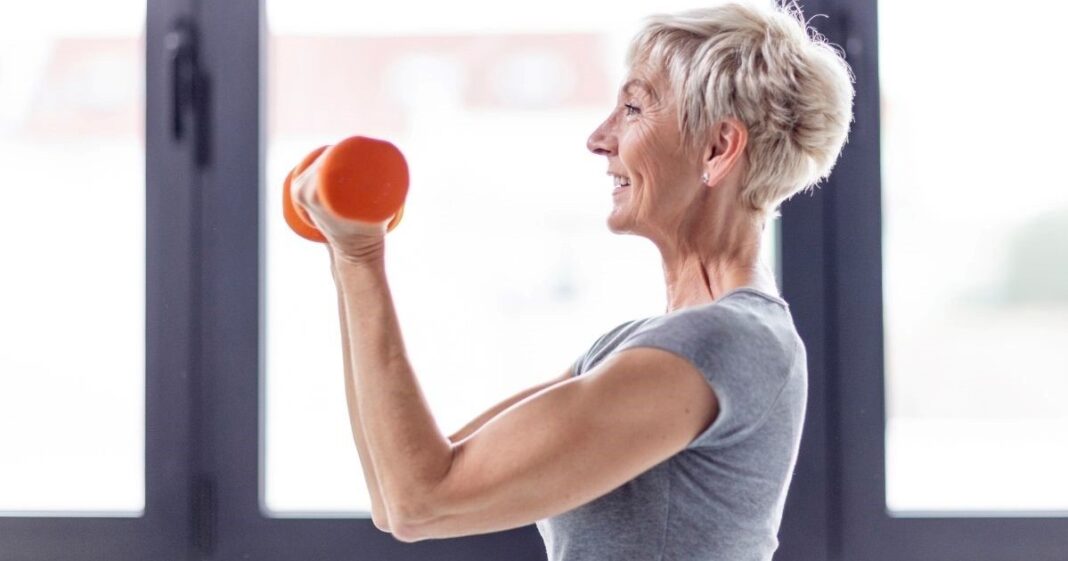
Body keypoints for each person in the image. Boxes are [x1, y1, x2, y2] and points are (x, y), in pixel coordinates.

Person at [289, 0, 854, 559]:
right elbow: (399, 494)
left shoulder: (724, 345)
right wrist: (347, 254)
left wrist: (360, 254)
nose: (599, 138)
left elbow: (423, 499)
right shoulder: (637, 347)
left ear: (718, 147)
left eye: (633, 108)